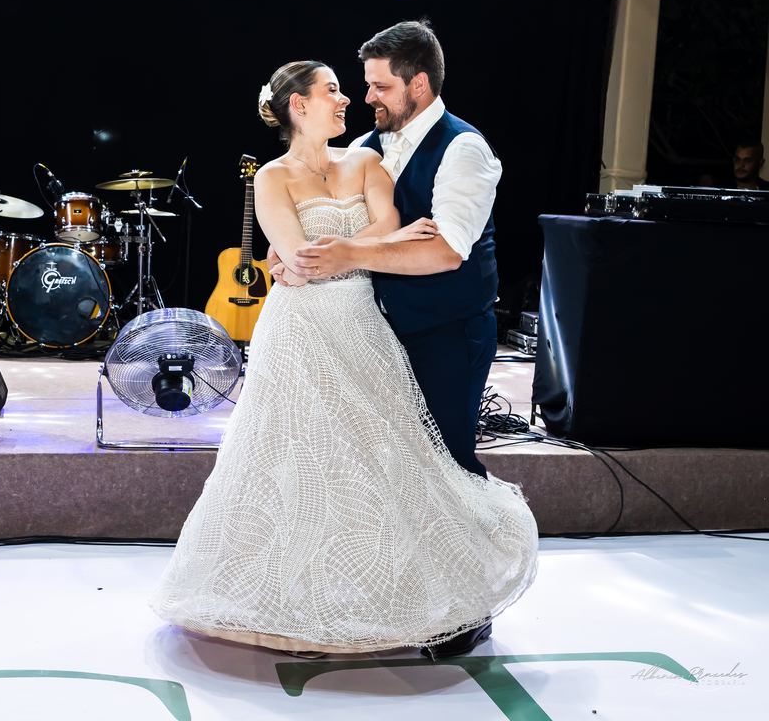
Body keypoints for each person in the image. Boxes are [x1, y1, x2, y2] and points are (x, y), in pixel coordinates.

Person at [149, 59, 537, 660]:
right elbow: (304, 256)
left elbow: (387, 228)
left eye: (355, 88)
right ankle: (296, 603)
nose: (348, 98)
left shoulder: (365, 160)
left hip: (361, 323)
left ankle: (428, 599)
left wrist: (347, 249)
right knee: (296, 457)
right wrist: (358, 246)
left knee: (383, 455)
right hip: (297, 329)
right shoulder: (272, 177)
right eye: (333, 90)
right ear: (298, 105)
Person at [283, 20, 502, 484]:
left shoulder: (464, 149)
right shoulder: (362, 148)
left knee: (448, 470)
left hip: (446, 334)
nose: (367, 98)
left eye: (381, 87)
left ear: (418, 84)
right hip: (372, 337)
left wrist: (350, 255)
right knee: (382, 477)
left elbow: (446, 253)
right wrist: (289, 254)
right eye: (367, 85)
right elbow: (330, 224)